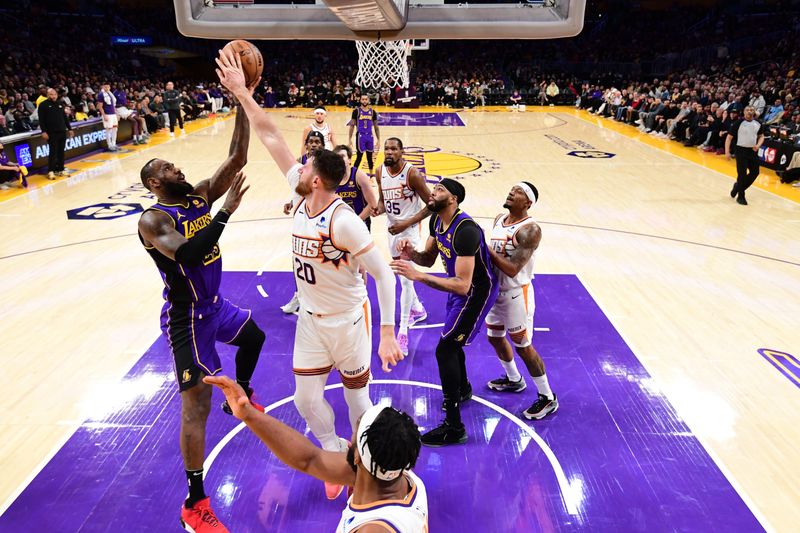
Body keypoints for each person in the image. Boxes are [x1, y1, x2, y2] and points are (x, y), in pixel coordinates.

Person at [216, 48, 404, 499]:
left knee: (359, 401)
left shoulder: (344, 221)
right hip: (311, 323)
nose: (297, 165)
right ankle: (332, 449)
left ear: (316, 179)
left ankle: (369, 466)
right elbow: (271, 137)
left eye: (305, 166)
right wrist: (243, 94)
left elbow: (385, 275)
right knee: (305, 401)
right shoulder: (302, 196)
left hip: (348, 322)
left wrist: (387, 332)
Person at [137, 103, 266, 533]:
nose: (179, 169)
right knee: (196, 407)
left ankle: (242, 395)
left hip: (215, 305)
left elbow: (237, 157)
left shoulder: (197, 196)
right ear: (156, 183)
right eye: (170, 168)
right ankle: (194, 502)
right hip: (187, 319)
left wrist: (244, 101)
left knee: (254, 338)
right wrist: (226, 211)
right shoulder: (155, 219)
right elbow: (190, 254)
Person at [204, 375, 428, 532]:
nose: (349, 437)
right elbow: (309, 459)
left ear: (358, 457)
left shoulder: (374, 528)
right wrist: (249, 415)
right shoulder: (396, 474)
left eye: (355, 432)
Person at [391, 178, 498, 447]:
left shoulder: (466, 230)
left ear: (453, 199)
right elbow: (428, 258)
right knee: (452, 341)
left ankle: (454, 426)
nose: (433, 191)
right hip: (458, 287)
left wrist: (417, 276)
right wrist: (412, 254)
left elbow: (463, 285)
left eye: (440, 189)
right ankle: (462, 389)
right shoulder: (436, 222)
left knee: (446, 348)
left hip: (475, 292)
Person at [485, 183, 558, 420]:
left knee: (523, 346)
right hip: (496, 291)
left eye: (517, 192)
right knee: (494, 337)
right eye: (510, 190)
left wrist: (484, 250)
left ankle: (547, 397)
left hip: (517, 294)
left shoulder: (530, 230)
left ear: (527, 202)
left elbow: (513, 268)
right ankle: (514, 379)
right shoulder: (498, 219)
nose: (510, 193)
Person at [375, 138, 430, 354]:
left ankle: (403, 331)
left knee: (405, 281)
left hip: (409, 230)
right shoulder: (380, 171)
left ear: (402, 152)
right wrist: (379, 207)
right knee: (401, 274)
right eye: (387, 148)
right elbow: (382, 196)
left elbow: (432, 205)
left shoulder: (412, 174)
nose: (389, 152)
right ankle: (417, 309)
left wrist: (406, 223)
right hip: (393, 229)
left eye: (393, 149)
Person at [280, 130, 326, 315]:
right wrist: (291, 202)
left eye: (317, 142)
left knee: (321, 261)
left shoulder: (326, 164)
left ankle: (319, 299)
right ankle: (299, 295)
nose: (314, 144)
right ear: (306, 144)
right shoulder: (298, 163)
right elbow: (297, 189)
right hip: (300, 220)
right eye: (311, 142)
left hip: (320, 219)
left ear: (322, 145)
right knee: (298, 260)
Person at [725, 105, 765, 206]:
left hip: (752, 151)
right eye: (747, 110)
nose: (749, 111)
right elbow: (729, 138)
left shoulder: (758, 123)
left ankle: (737, 187)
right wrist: (727, 152)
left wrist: (758, 145)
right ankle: (741, 196)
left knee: (755, 172)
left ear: (754, 112)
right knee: (742, 174)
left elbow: (761, 136)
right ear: (744, 112)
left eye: (751, 110)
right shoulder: (738, 123)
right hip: (740, 150)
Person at [335, 144, 378, 231]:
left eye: (342, 156)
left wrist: (357, 221)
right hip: (339, 224)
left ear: (349, 160)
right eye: (337, 157)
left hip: (360, 222)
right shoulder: (330, 178)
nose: (339, 159)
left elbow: (373, 204)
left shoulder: (359, 176)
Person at [38, 87, 74, 179]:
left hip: (62, 131)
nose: (53, 96)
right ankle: (51, 171)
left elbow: (65, 118)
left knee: (61, 151)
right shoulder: (43, 105)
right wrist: (43, 131)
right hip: (51, 133)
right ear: (47, 95)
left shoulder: (60, 104)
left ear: (57, 95)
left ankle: (60, 169)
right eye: (51, 94)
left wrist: (70, 129)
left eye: (54, 94)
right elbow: (41, 120)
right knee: (53, 152)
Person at [348, 95, 380, 175]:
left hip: (370, 136)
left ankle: (371, 175)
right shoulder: (356, 111)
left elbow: (376, 127)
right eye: (363, 99)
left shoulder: (373, 112)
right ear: (360, 100)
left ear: (368, 100)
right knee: (359, 157)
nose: (364, 101)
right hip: (360, 136)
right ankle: (353, 174)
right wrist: (349, 139)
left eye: (366, 99)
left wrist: (378, 140)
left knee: (370, 157)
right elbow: (352, 126)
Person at [96, 83, 118, 152]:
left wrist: (116, 113)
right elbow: (100, 106)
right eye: (105, 87)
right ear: (103, 87)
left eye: (108, 86)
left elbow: (113, 105)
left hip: (113, 114)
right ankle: (109, 145)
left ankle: (114, 144)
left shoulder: (110, 93)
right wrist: (104, 115)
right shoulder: (101, 94)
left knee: (115, 129)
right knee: (108, 130)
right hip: (107, 114)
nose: (107, 88)